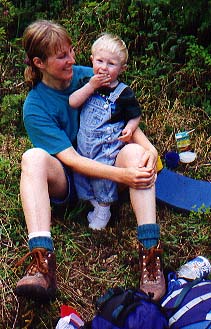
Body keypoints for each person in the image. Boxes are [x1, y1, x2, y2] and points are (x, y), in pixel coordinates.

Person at [15, 19, 165, 303]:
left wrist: (149, 148)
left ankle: (150, 255)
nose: (73, 59)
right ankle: (42, 262)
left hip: (106, 163)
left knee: (135, 154)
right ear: (39, 62)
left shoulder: (89, 76)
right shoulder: (35, 106)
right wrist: (123, 177)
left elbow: (123, 117)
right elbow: (70, 160)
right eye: (62, 56)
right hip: (68, 181)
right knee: (32, 158)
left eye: (71, 51)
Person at [69, 33, 142, 230]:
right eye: (100, 61)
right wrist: (91, 86)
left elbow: (135, 115)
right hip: (84, 144)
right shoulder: (87, 82)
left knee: (102, 178)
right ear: (92, 60)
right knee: (81, 175)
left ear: (121, 68)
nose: (104, 67)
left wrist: (130, 127)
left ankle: (104, 207)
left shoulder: (124, 93)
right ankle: (92, 201)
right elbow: (73, 102)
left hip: (106, 147)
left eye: (111, 64)